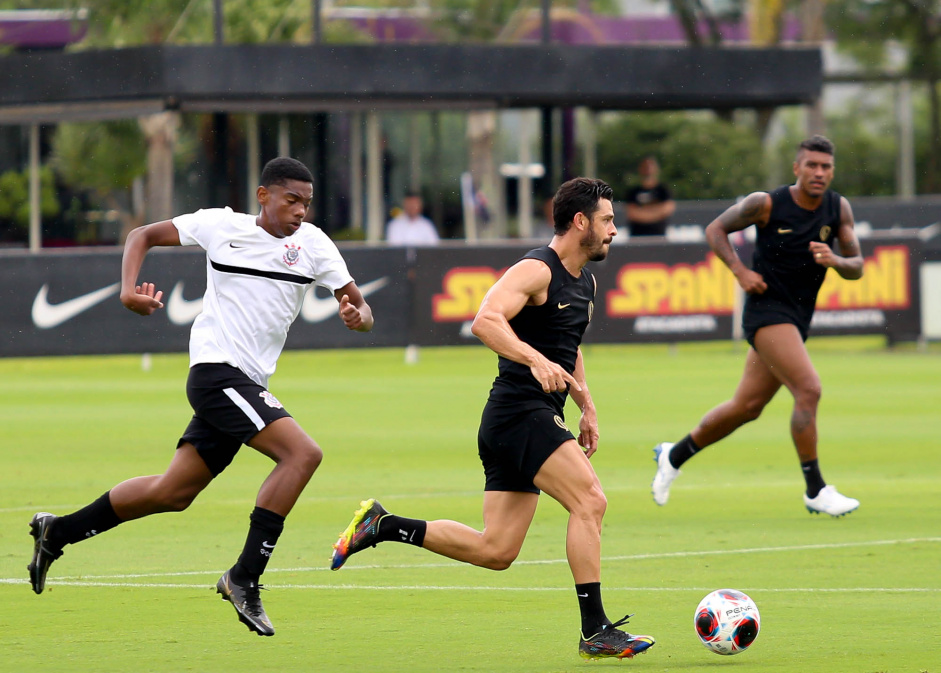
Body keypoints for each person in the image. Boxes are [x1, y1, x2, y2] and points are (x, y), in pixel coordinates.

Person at [27, 157, 374, 637]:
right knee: (302, 455)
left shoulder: (314, 245)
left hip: (248, 383)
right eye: (292, 200)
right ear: (263, 196)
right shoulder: (219, 225)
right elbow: (140, 236)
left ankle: (57, 531)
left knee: (173, 492)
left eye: (307, 203)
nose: (300, 211)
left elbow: (360, 304)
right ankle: (244, 577)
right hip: (216, 373)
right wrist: (128, 291)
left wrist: (359, 316)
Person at [330, 177, 655, 661]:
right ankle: (596, 630)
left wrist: (586, 403)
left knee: (496, 551)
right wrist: (534, 361)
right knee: (590, 501)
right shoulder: (535, 269)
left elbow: (569, 345)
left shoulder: (584, 280)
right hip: (518, 414)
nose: (614, 230)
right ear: (580, 221)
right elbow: (485, 319)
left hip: (521, 420)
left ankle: (382, 525)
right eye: (607, 220)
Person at [651, 135, 864, 517]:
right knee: (809, 389)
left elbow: (857, 266)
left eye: (826, 167)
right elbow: (715, 229)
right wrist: (740, 271)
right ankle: (815, 489)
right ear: (796, 168)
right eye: (811, 165)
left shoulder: (837, 208)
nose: (819, 172)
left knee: (746, 407)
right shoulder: (766, 203)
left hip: (797, 319)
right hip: (767, 312)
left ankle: (673, 455)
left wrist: (835, 259)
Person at [624, 156, 675, 237]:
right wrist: (655, 211)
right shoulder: (633, 192)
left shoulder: (663, 190)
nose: (648, 169)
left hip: (659, 235)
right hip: (637, 237)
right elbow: (632, 213)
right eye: (645, 166)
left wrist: (642, 212)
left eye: (650, 166)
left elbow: (667, 210)